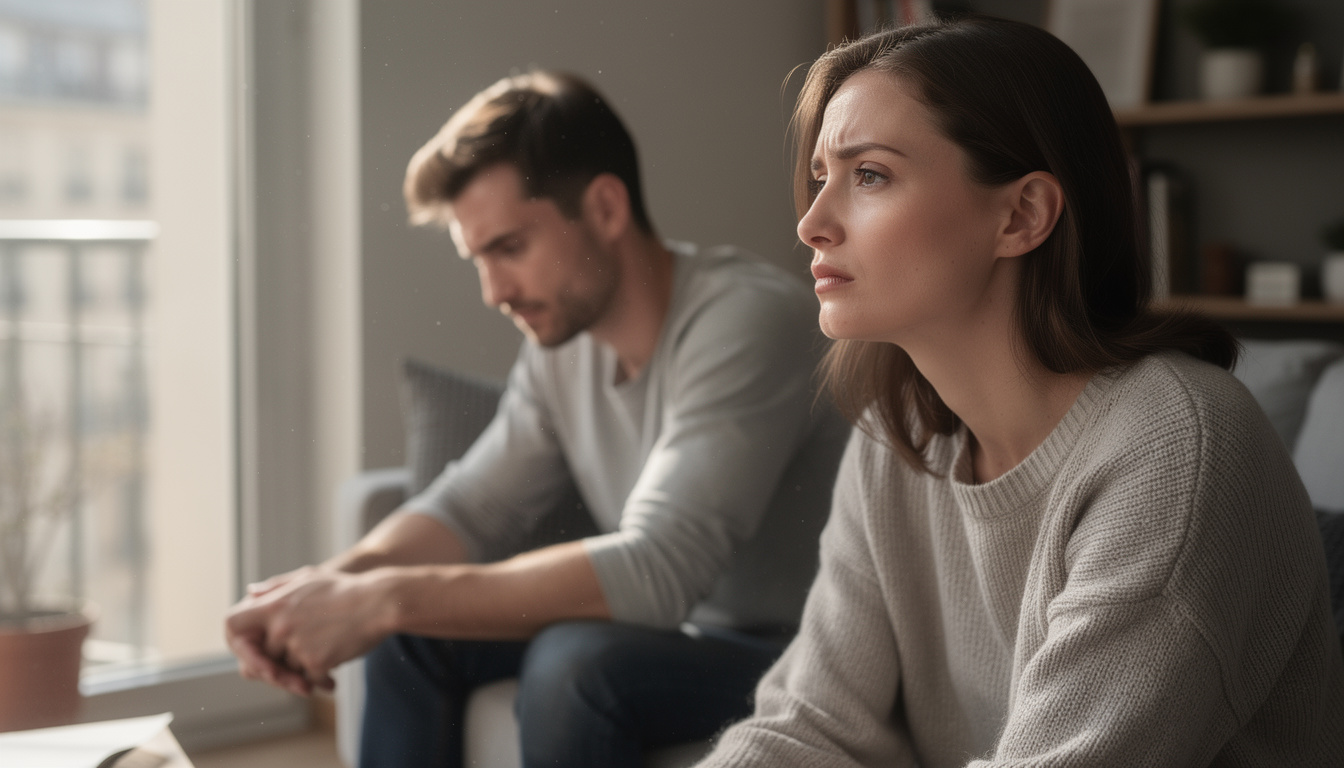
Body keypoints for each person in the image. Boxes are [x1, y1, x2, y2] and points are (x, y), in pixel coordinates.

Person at [696, 16, 1344, 768]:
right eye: (819, 180)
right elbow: (807, 722)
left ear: (1022, 215)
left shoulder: (1179, 448)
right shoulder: (896, 441)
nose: (811, 223)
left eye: (868, 174)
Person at [223, 70, 850, 768]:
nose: (493, 291)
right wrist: (330, 587)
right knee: (408, 635)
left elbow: (661, 568)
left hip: (799, 653)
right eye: (478, 259)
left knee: (572, 663)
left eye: (510, 248)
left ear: (606, 209)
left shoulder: (744, 322)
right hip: (687, 636)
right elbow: (470, 508)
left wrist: (385, 597)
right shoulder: (564, 350)